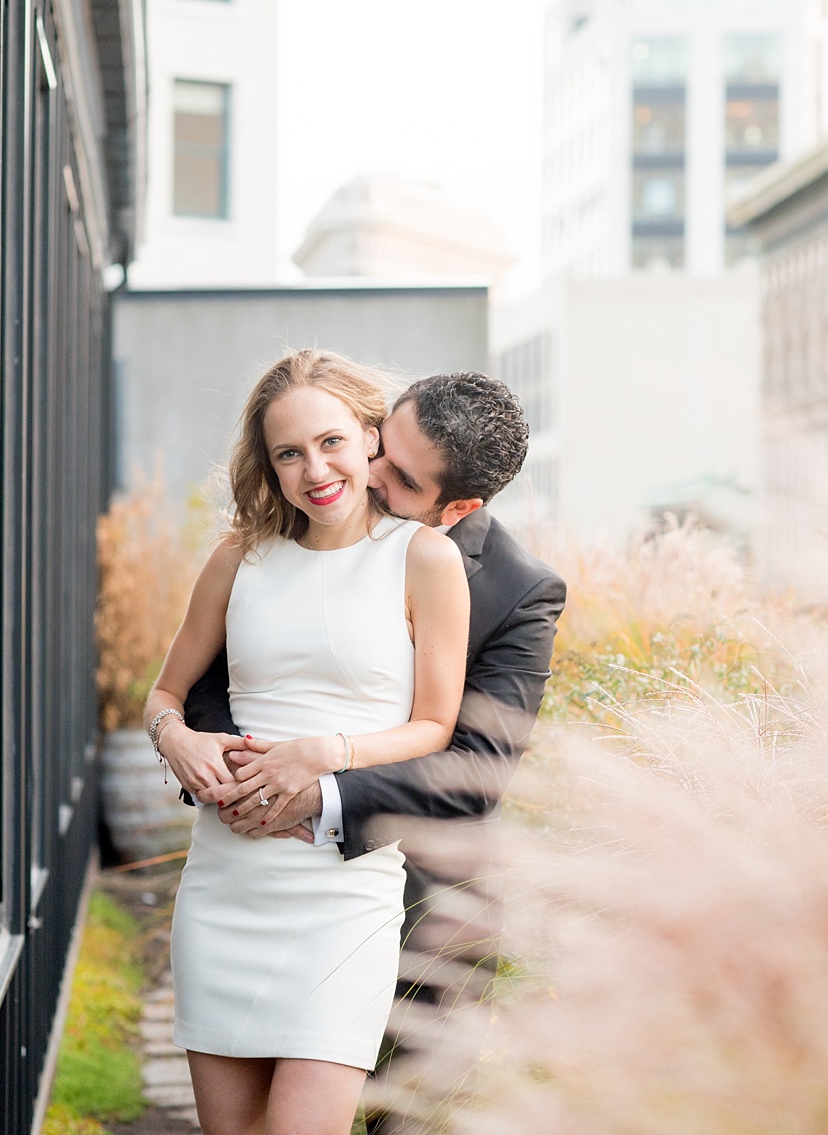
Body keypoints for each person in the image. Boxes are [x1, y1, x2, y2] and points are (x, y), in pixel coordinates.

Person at [180, 370, 568, 1130]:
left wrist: (317, 788)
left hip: (424, 908)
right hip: (254, 880)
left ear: (458, 507)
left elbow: (474, 768)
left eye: (399, 476)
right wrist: (227, 763)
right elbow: (213, 680)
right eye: (379, 444)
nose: (364, 475)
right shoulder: (279, 543)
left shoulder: (521, 592)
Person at [143, 350, 472, 1135]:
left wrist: (329, 750)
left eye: (329, 442)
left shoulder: (423, 556)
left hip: (341, 896)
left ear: (369, 438)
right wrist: (176, 738)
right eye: (287, 452)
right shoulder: (237, 557)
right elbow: (163, 693)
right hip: (226, 884)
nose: (312, 469)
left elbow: (435, 725)